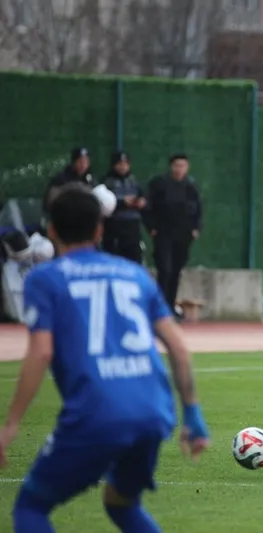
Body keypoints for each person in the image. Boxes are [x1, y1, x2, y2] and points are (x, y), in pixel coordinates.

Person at [0, 183, 210, 533]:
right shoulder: (135, 275)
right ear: (99, 230)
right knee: (121, 503)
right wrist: (193, 414)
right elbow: (178, 346)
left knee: (30, 508)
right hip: (153, 413)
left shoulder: (45, 279)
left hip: (96, 413)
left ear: (51, 230)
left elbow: (41, 351)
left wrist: (10, 425)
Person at [143, 154, 202, 318]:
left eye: (183, 166)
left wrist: (196, 228)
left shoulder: (191, 186)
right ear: (171, 167)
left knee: (176, 270)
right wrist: (151, 227)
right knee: (165, 269)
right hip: (163, 232)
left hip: (183, 234)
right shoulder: (159, 184)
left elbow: (198, 209)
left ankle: (170, 306)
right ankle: (159, 307)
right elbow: (147, 207)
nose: (179, 169)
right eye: (177, 165)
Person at [102, 151, 147, 263]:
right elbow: (103, 204)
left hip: (133, 225)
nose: (123, 167)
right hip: (115, 224)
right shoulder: (107, 182)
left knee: (134, 257)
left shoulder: (134, 180)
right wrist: (122, 202)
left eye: (126, 164)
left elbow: (143, 196)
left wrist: (141, 202)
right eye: (120, 164)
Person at [42, 147, 94, 217]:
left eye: (86, 162)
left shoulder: (90, 179)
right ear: (73, 162)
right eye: (80, 162)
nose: (83, 165)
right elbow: (49, 203)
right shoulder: (61, 179)